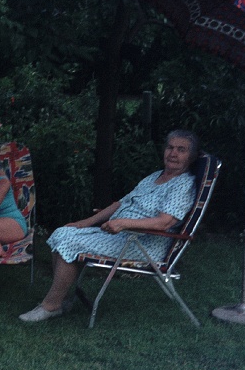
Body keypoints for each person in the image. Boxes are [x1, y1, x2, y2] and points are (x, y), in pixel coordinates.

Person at [19, 129, 200, 323]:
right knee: (63, 232)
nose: (173, 153)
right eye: (170, 147)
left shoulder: (184, 185)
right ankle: (60, 298)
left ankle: (51, 305)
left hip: (144, 244)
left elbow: (164, 222)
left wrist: (123, 223)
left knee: (69, 242)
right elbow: (120, 203)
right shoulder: (156, 176)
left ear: (191, 157)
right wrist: (84, 223)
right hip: (123, 235)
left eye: (181, 150)